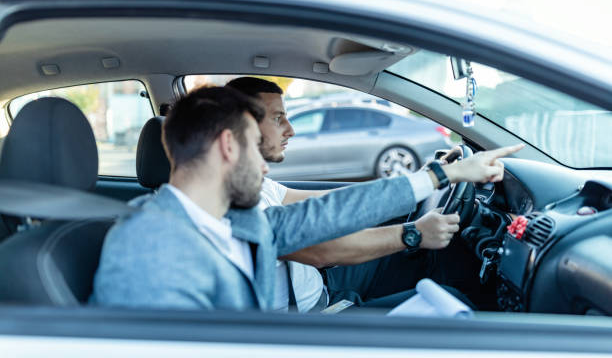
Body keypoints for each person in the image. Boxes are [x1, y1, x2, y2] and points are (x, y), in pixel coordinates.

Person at [91, 86, 522, 311]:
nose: (264, 167)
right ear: (227, 147)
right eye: (253, 149)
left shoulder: (236, 221)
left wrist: (441, 174)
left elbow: (330, 211)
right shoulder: (146, 244)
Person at [226, 77, 475, 312]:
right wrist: (414, 234)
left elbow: (331, 203)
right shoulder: (235, 205)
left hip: (322, 284)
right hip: (315, 318)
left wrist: (414, 183)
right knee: (454, 301)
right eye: (278, 118)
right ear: (242, 127)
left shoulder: (258, 185)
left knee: (418, 262)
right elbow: (322, 252)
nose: (290, 130)